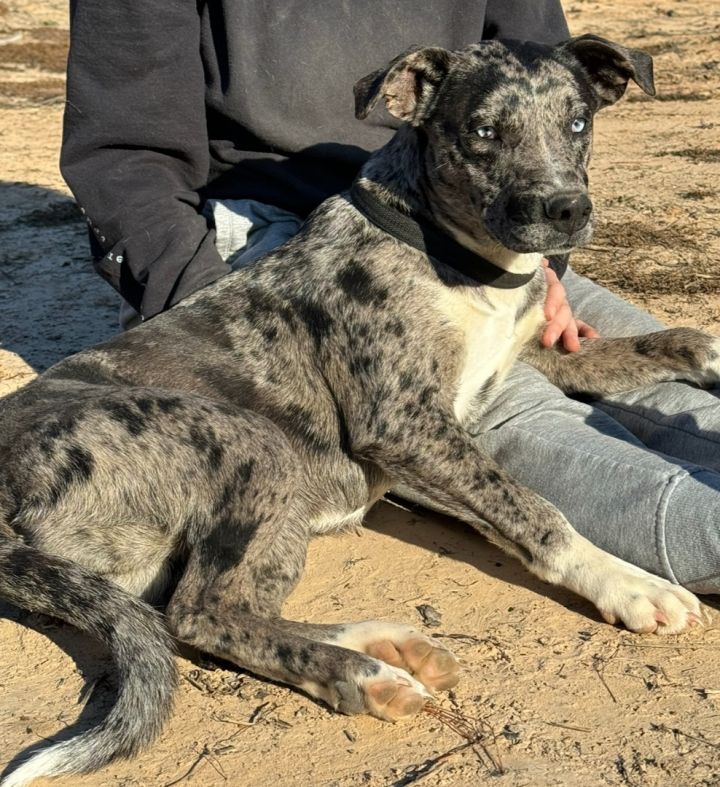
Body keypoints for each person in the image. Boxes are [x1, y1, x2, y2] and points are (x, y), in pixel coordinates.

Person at [60, 1, 719, 595]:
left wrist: (546, 268)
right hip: (268, 241)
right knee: (507, 415)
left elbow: (535, 67)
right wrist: (228, 332)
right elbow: (126, 160)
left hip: (475, 212)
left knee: (664, 359)